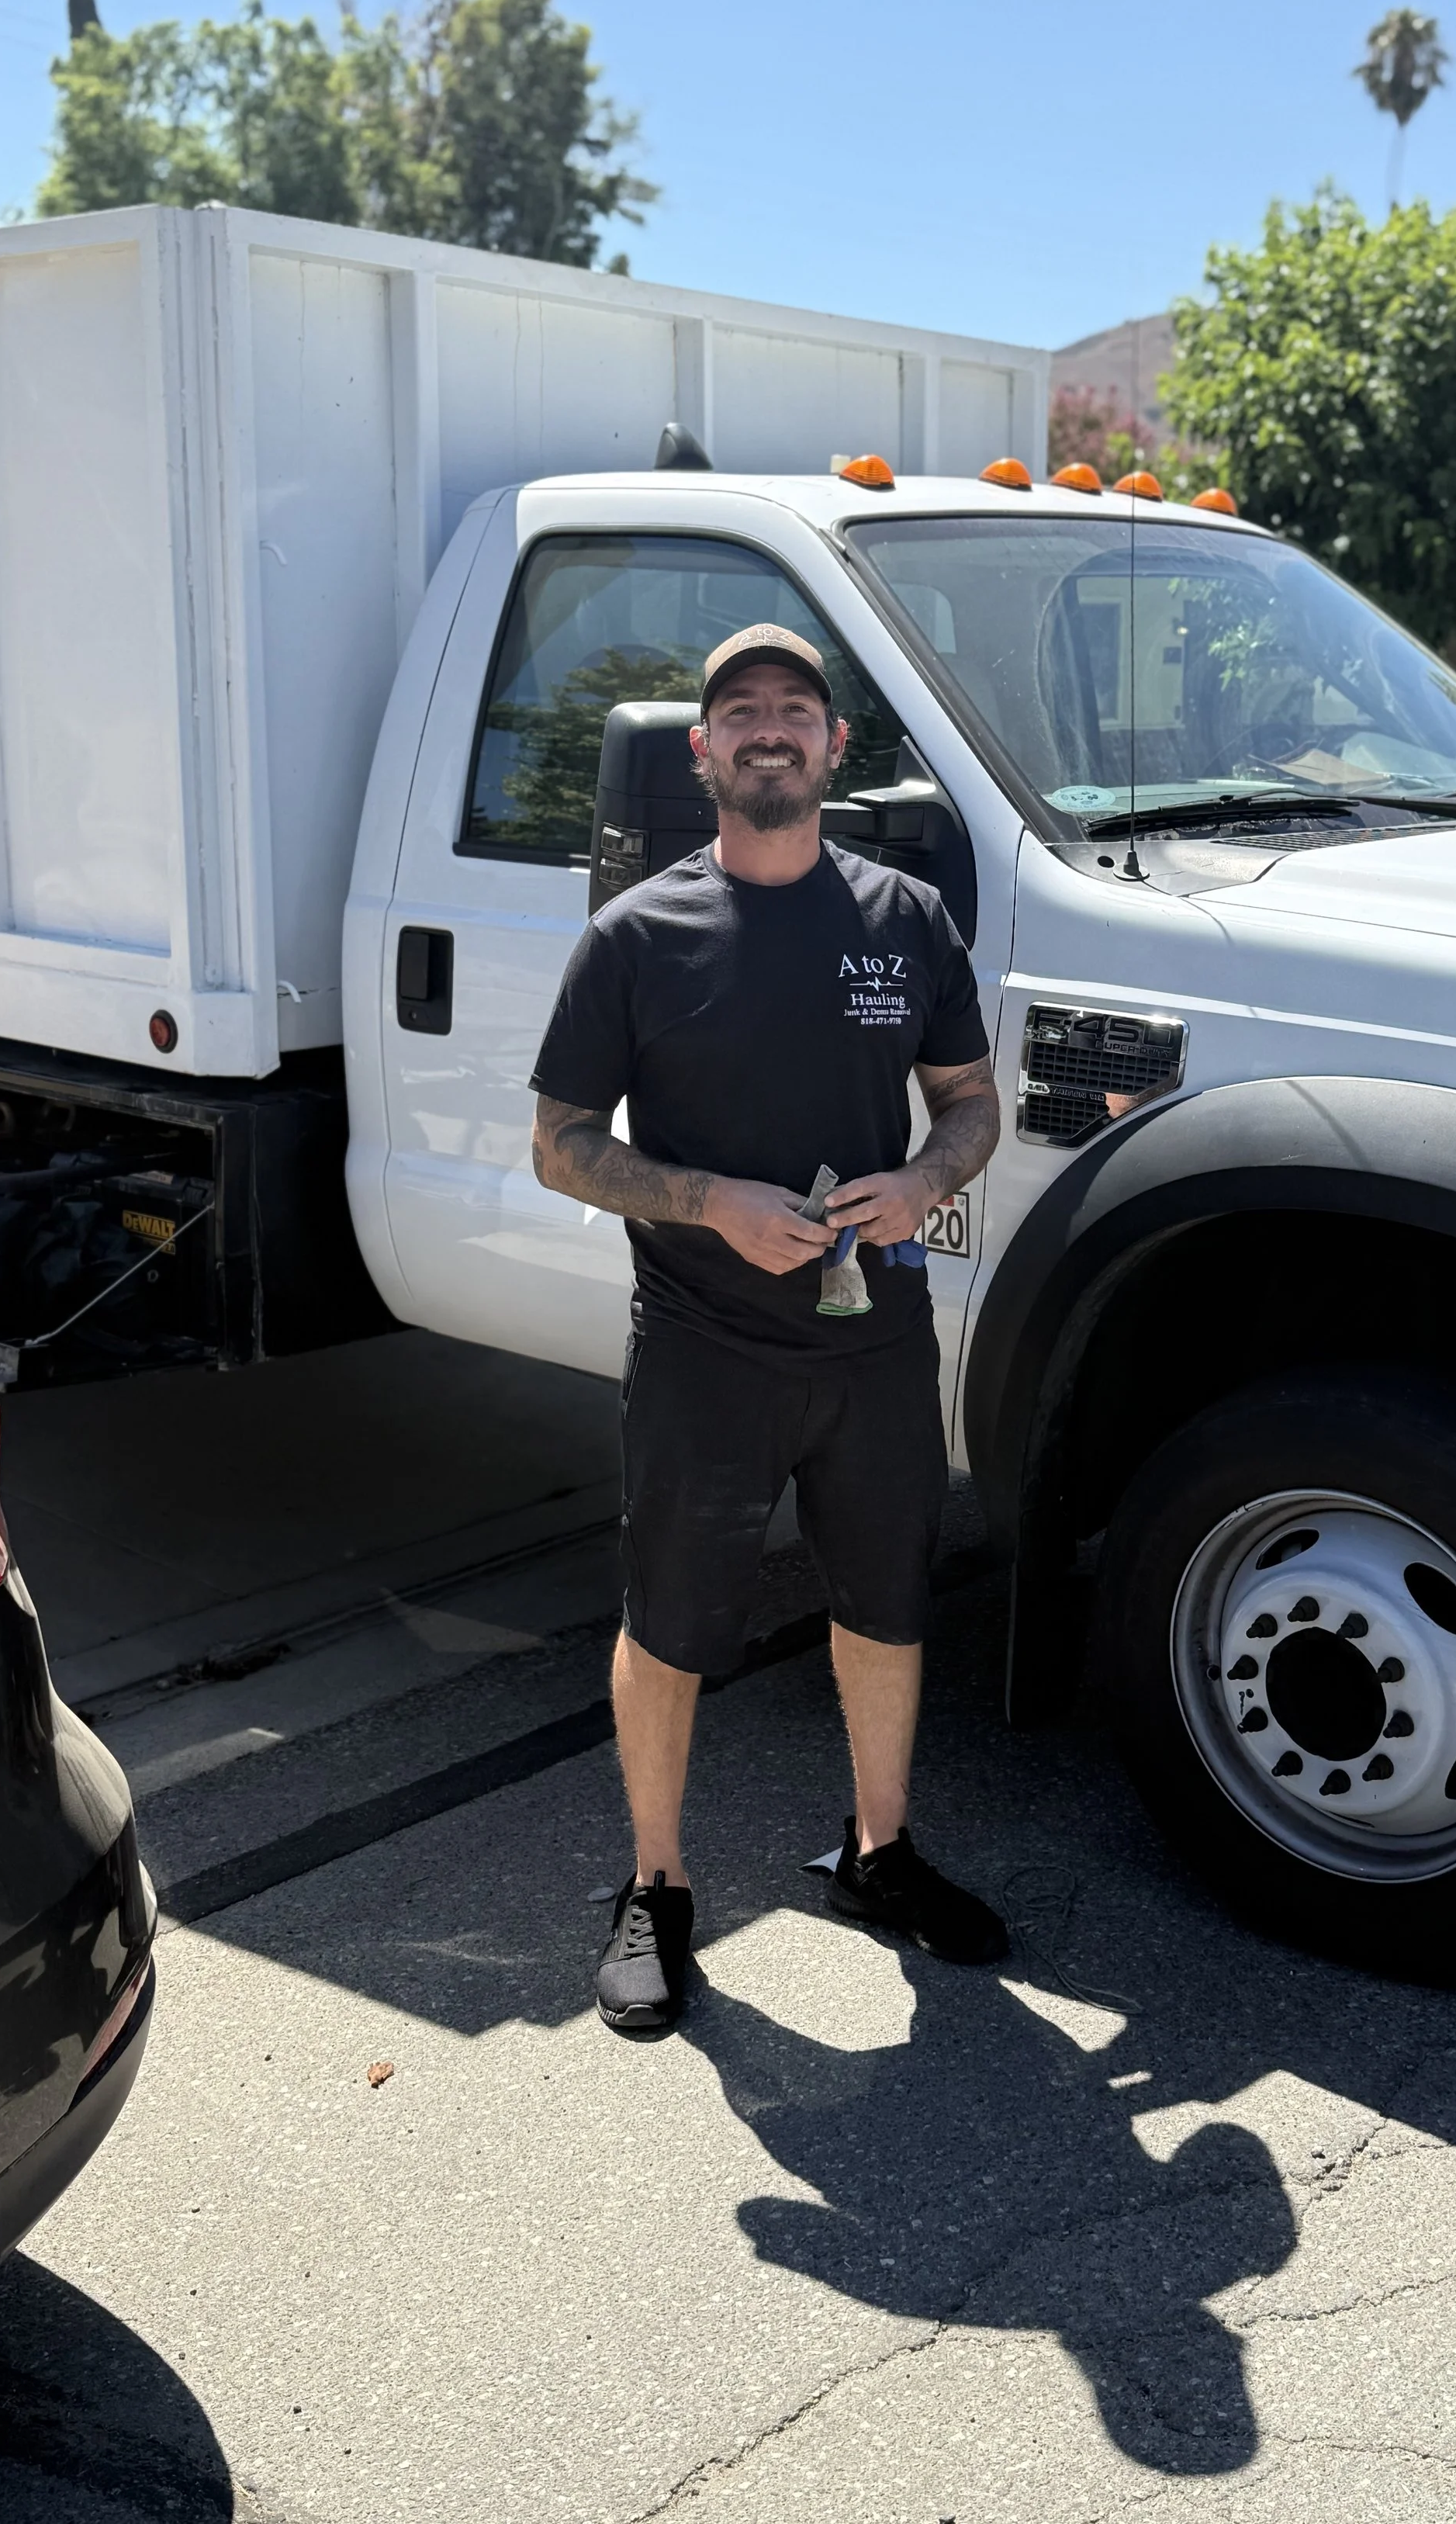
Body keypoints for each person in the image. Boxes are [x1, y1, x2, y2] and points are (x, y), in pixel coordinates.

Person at [529, 621, 1008, 2034]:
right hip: (704, 1346)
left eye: (795, 707)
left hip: (873, 1344)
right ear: (703, 750)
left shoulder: (906, 920)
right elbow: (560, 1144)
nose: (769, 729)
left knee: (886, 1607)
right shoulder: (636, 938)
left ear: (834, 745)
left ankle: (878, 1854)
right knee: (671, 1626)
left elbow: (970, 1103)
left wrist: (925, 1180)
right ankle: (657, 1886)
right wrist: (708, 1202)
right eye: (740, 711)